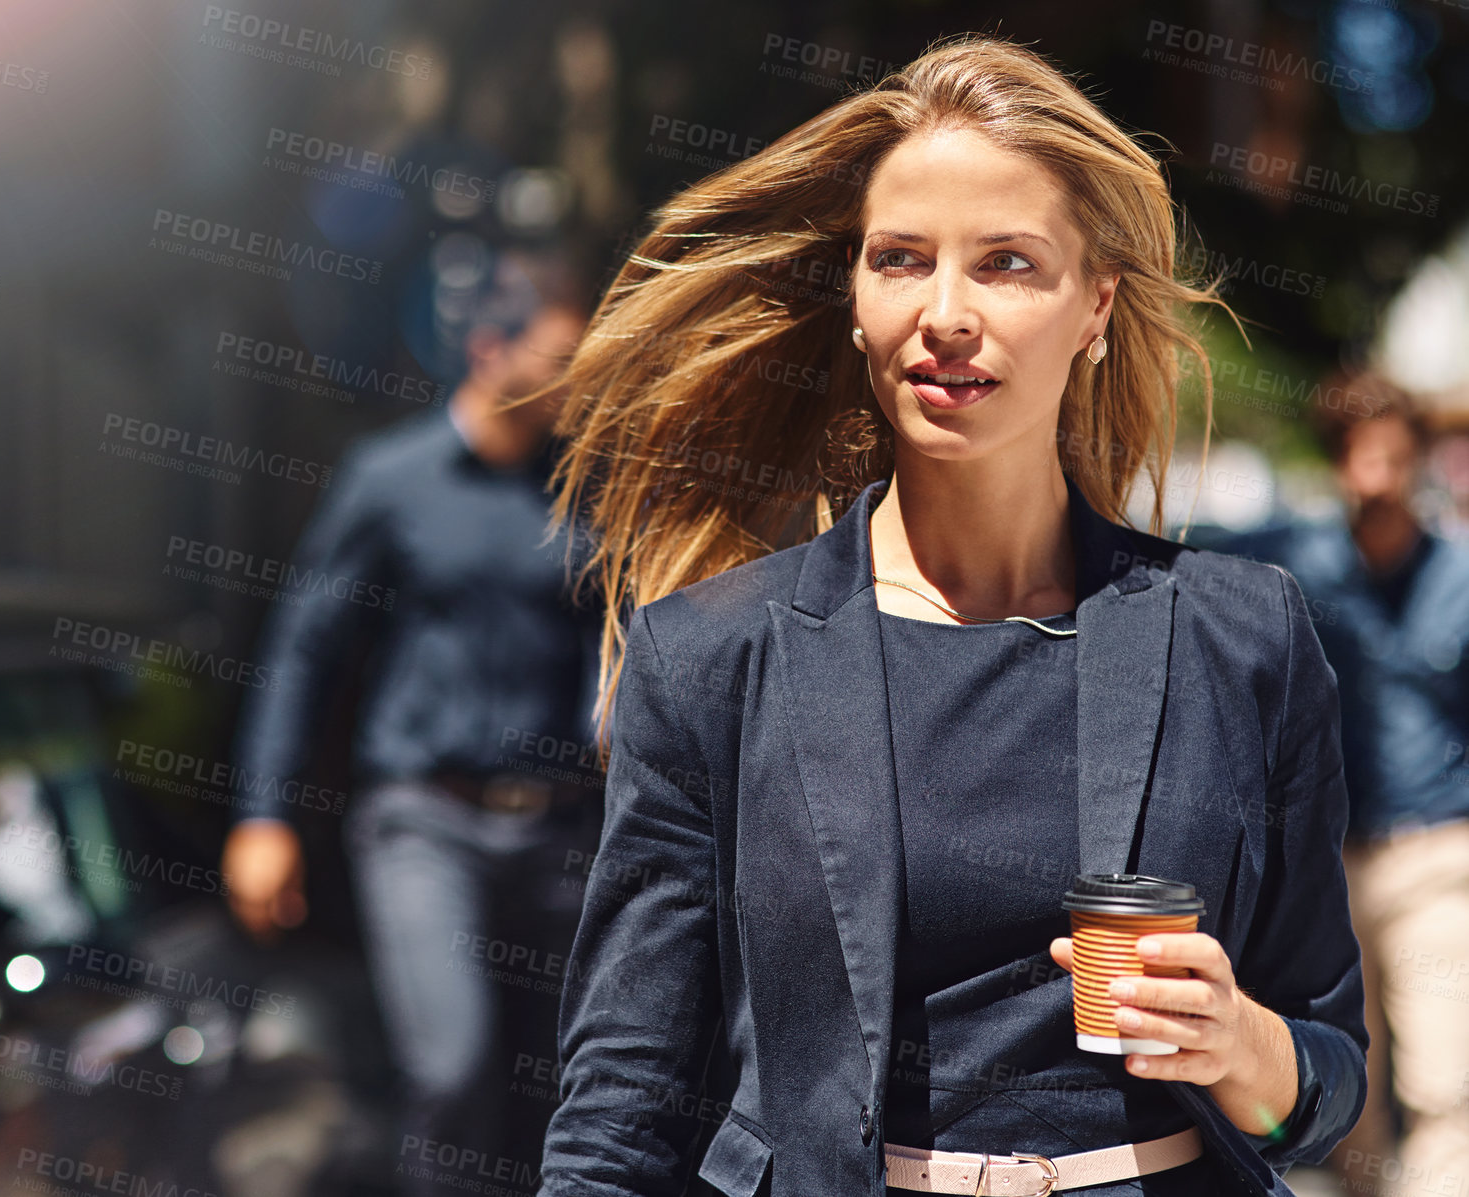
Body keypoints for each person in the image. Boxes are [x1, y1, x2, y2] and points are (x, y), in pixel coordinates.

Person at [537, 33, 1365, 1197]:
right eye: (901, 259)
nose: (947, 312)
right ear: (859, 300)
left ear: (1096, 308)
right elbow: (624, 1101)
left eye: (1009, 264)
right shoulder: (712, 659)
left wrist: (1244, 1048)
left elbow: (1325, 1079)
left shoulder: (1244, 635)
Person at [221, 247, 606, 1197]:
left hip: (561, 831)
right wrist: (264, 816)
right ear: (488, 347)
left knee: (571, 1086)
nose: (575, 384)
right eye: (560, 360)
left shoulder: (588, 486)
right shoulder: (392, 478)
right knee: (453, 1064)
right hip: (425, 822)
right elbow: (305, 650)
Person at [1195, 371, 1469, 1197]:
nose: (1375, 476)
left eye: (1391, 455)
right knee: (1353, 1085)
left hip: (1437, 854)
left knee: (1439, 1078)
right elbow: (1176, 562)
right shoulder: (1296, 557)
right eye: (1358, 456)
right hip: (1333, 860)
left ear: (1417, 459)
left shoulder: (1460, 574)